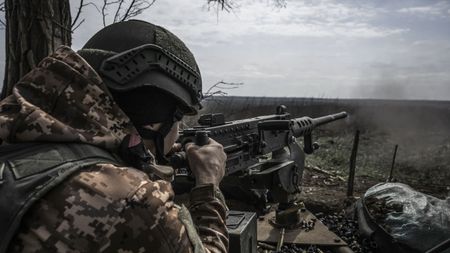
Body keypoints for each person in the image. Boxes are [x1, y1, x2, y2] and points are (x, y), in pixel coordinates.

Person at [0, 20, 228, 253]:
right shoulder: (132, 197)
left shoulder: (13, 128)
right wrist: (208, 185)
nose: (178, 130)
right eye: (179, 120)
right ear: (154, 118)